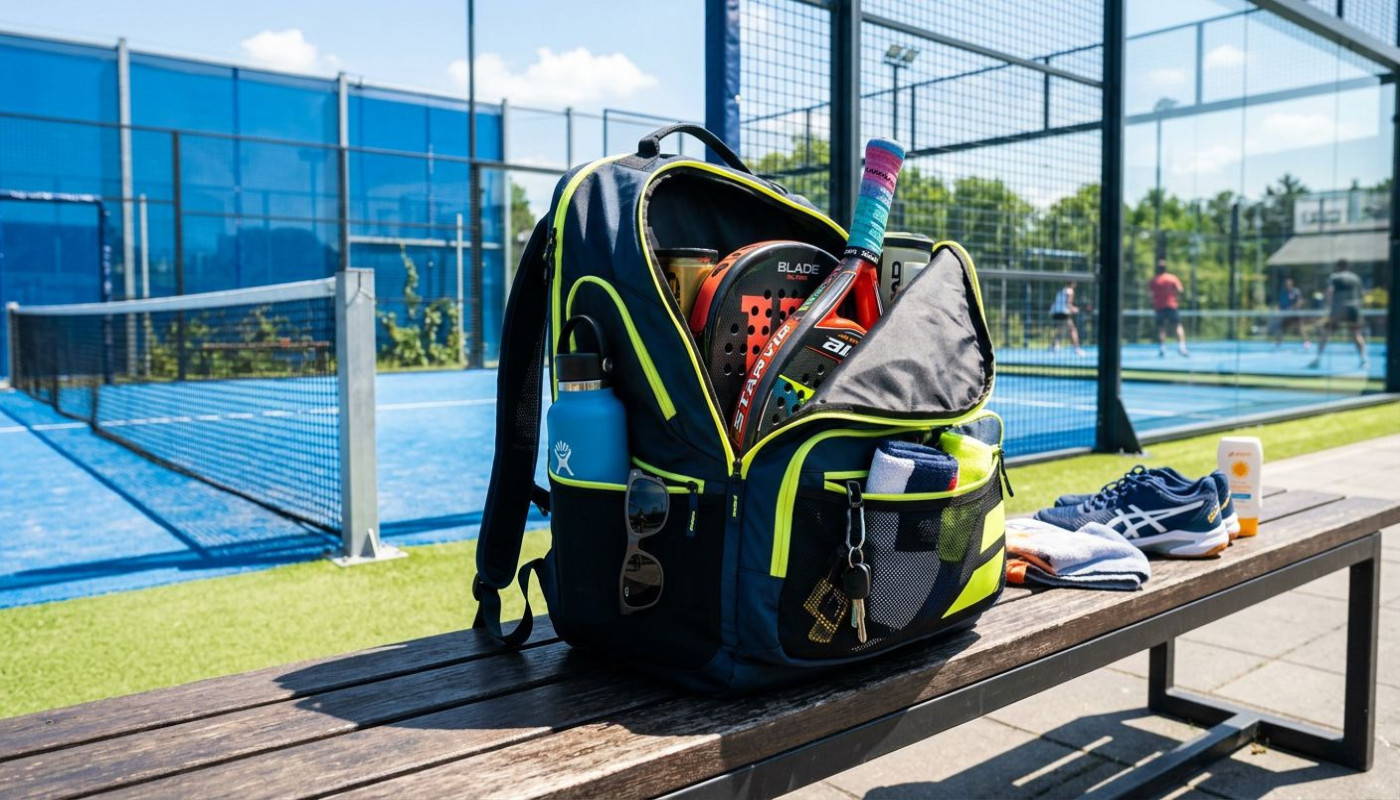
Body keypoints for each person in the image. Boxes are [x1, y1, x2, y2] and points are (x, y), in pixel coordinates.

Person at [1309, 259, 1367, 369]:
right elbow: (1361, 294)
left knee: (1326, 333)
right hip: (1354, 309)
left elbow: (1330, 291)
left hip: (1339, 309)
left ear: (1338, 267)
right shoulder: (1356, 278)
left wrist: (1328, 306)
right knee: (1356, 334)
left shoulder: (1334, 277)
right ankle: (1363, 359)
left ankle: (1318, 358)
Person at [1148, 259, 1188, 357]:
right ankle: (1182, 347)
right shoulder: (1172, 278)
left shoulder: (1154, 280)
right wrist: (1175, 297)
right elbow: (1180, 290)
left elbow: (1150, 294)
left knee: (1161, 327)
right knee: (1178, 326)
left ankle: (1162, 347)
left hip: (1159, 307)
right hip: (1171, 305)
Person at [1271, 276, 1309, 349]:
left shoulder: (1296, 291)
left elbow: (1300, 301)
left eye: (1289, 283)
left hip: (1295, 314)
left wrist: (1293, 308)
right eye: (1286, 283)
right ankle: (1277, 343)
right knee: (1282, 328)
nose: (1287, 285)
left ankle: (1306, 343)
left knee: (1300, 328)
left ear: (1291, 284)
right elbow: (1279, 304)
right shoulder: (1282, 293)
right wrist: (1279, 311)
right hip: (1286, 314)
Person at [1049, 281, 1085, 356]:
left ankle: (1054, 346)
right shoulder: (1070, 291)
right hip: (1063, 313)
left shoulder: (1061, 291)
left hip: (1055, 313)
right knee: (1073, 330)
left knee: (1060, 331)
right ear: (1072, 284)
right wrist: (1074, 309)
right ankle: (1076, 349)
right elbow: (1068, 304)